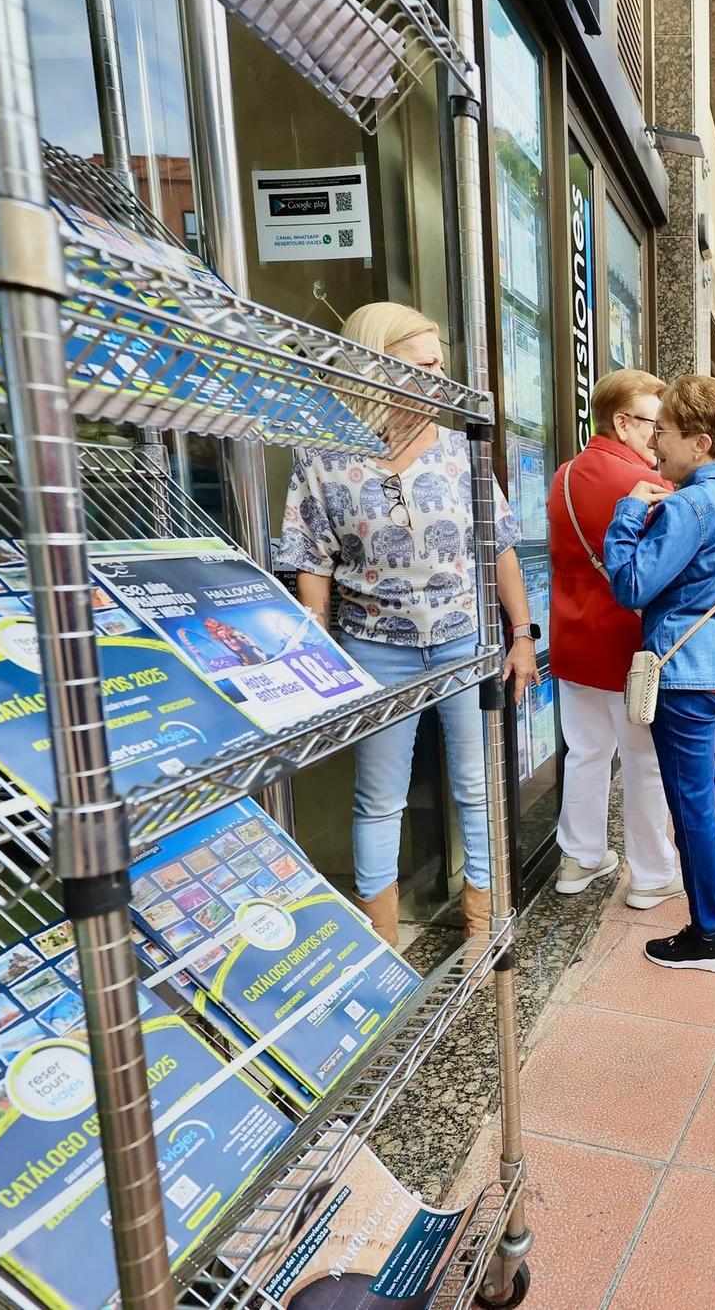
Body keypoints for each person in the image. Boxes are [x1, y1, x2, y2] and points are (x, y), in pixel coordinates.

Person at [278, 303, 538, 947]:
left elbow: (498, 545)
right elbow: (312, 556)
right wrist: (316, 646)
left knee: (478, 790)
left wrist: (524, 634)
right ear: (379, 366)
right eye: (426, 365)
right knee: (378, 799)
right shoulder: (325, 455)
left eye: (441, 361)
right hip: (373, 648)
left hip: (462, 641)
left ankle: (483, 925)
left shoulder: (460, 450)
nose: (440, 375)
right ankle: (383, 939)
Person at [604, 375, 715, 973]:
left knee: (692, 804)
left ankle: (709, 934)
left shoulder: (688, 505)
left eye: (666, 432)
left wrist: (628, 511)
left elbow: (629, 584)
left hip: (685, 675)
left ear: (700, 442)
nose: (657, 445)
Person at [545, 368, 682, 910]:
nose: (661, 434)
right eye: (655, 422)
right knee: (644, 762)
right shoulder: (646, 484)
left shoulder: (564, 475)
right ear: (622, 422)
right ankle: (650, 874)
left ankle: (580, 856)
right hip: (630, 645)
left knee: (585, 753)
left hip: (574, 639)